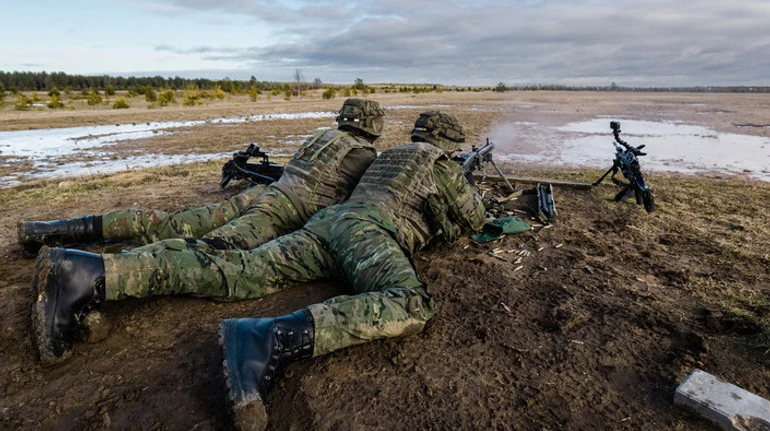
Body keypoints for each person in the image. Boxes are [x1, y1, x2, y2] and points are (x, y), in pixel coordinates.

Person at [31, 111, 487, 430]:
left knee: (243, 269)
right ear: (448, 144)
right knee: (410, 303)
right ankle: (267, 338)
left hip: (325, 223)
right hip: (364, 232)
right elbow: (474, 221)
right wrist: (469, 180)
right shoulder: (440, 167)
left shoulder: (386, 156)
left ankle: (93, 273)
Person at [18, 98, 384, 253]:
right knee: (211, 250)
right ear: (371, 124)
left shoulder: (321, 136)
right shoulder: (363, 153)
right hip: (278, 210)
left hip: (263, 196)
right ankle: (92, 268)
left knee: (172, 222)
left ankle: (50, 230)